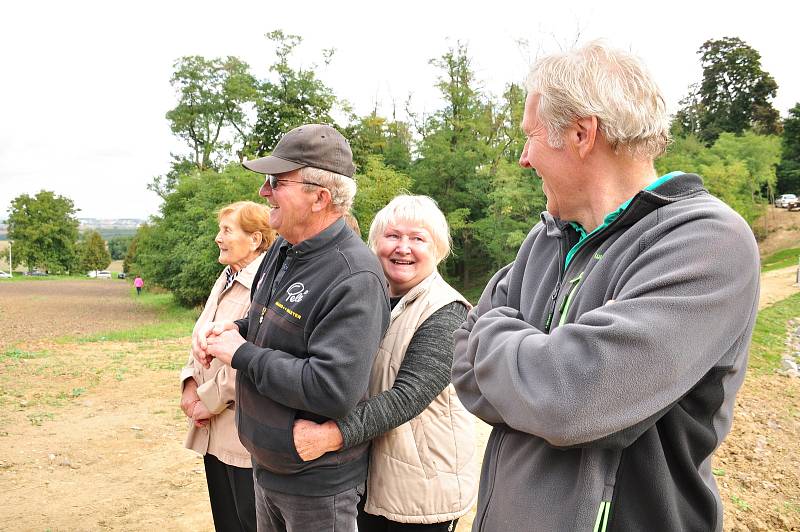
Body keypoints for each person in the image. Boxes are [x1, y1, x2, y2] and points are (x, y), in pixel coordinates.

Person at [451, 41, 760, 532]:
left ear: (580, 133)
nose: (524, 159)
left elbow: (572, 398)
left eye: (529, 137)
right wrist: (527, 366)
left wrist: (498, 343)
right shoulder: (546, 237)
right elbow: (462, 362)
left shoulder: (706, 240)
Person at [193, 124, 391, 532]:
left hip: (317, 487)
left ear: (319, 197)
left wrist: (241, 353)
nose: (264, 191)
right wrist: (234, 329)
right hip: (268, 466)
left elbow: (332, 388)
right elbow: (271, 325)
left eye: (276, 181)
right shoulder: (285, 246)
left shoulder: (355, 277)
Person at [291, 195, 478, 531]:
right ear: (374, 243)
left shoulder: (447, 311)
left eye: (418, 239)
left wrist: (332, 435)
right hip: (369, 473)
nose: (402, 248)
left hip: (421, 488)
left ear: (437, 249)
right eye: (392, 236)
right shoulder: (366, 296)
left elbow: (408, 397)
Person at [179, 201, 275, 532]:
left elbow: (248, 358)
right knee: (225, 519)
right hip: (211, 425)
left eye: (227, 230)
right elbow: (201, 332)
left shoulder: (266, 284)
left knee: (249, 519)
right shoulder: (227, 275)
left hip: (241, 430)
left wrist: (207, 401)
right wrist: (190, 383)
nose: (218, 238)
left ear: (256, 239)